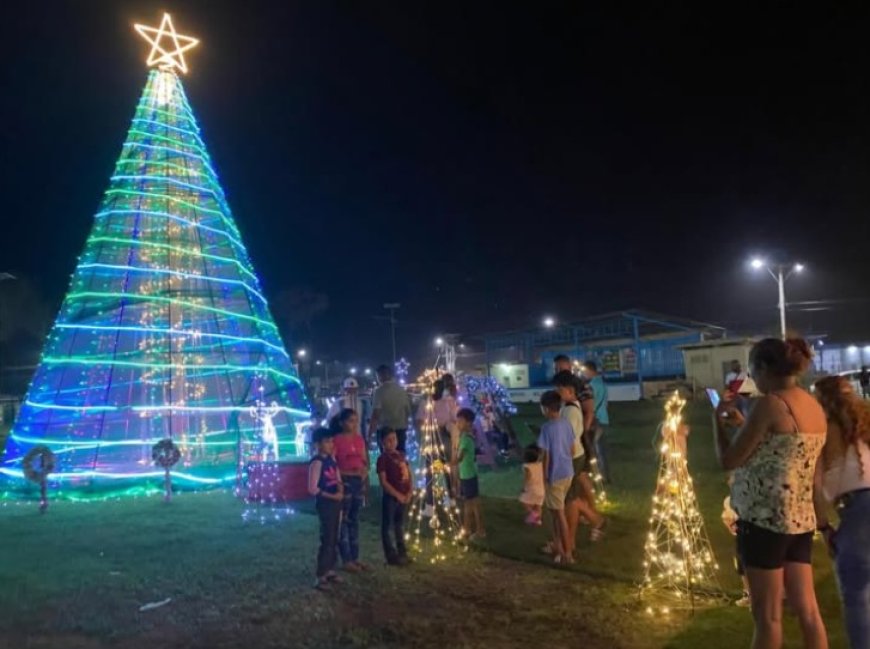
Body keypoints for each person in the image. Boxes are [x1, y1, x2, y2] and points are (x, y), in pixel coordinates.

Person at [714, 337, 828, 649]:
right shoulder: (813, 405)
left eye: (753, 373)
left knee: (768, 617)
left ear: (765, 368)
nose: (754, 380)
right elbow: (783, 449)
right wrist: (744, 424)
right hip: (799, 520)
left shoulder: (770, 404)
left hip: (764, 520)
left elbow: (729, 460)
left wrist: (717, 421)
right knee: (808, 611)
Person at [813, 375, 870, 649]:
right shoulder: (865, 425)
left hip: (857, 513)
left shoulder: (823, 431)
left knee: (856, 597)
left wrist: (824, 528)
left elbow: (814, 484)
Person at [552, 371, 605, 550]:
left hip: (571, 459)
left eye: (559, 389)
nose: (556, 392)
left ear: (569, 390)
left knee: (570, 501)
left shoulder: (571, 411)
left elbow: (569, 441)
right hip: (573, 458)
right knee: (571, 499)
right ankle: (592, 523)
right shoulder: (567, 408)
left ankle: (571, 540)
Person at [537, 390, 576, 565]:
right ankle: (558, 547)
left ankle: (566, 553)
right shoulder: (566, 424)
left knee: (559, 515)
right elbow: (572, 449)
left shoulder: (546, 428)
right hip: (568, 472)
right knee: (555, 513)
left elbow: (546, 456)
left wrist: (544, 477)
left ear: (545, 409)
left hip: (554, 476)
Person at [331, 408, 370, 573]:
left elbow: (364, 461)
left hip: (357, 482)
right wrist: (346, 475)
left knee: (354, 519)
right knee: (344, 519)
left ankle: (355, 558)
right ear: (342, 423)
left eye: (356, 420)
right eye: (350, 421)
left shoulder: (359, 440)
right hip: (345, 482)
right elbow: (333, 464)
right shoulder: (336, 440)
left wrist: (363, 474)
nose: (354, 424)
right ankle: (346, 559)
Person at [307, 427, 344, 591]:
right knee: (327, 538)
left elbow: (337, 478)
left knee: (335, 536)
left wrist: (341, 491)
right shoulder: (317, 463)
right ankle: (321, 574)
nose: (330, 444)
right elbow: (312, 488)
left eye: (331, 441)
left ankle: (330, 569)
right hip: (326, 504)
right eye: (327, 441)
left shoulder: (331, 460)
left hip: (336, 502)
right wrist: (332, 496)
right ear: (317, 444)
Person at [376, 428, 413, 566]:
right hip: (391, 498)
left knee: (399, 525)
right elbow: (383, 481)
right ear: (382, 443)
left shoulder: (401, 455)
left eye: (394, 439)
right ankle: (391, 555)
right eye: (388, 440)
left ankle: (402, 552)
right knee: (387, 526)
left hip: (403, 497)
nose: (392, 443)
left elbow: (409, 475)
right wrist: (397, 494)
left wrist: (409, 492)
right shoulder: (383, 459)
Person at [455, 407, 486, 539]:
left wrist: (445, 464)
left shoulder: (466, 439)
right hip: (467, 475)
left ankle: (476, 530)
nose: (458, 424)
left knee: (471, 504)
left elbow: (459, 458)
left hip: (468, 476)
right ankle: (469, 529)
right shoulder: (466, 437)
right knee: (470, 504)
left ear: (468, 423)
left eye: (460, 421)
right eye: (457, 421)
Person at [369, 365, 412, 451]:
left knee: (387, 458)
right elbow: (408, 411)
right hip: (401, 429)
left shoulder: (379, 392)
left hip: (385, 431)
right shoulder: (401, 390)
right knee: (400, 457)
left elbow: (376, 413)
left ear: (380, 376)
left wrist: (370, 432)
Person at [583, 360, 612, 483]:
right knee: (601, 448)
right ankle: (604, 475)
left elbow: (590, 405)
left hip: (596, 420)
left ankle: (601, 477)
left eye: (585, 371)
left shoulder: (592, 386)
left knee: (595, 448)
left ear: (590, 370)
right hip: (603, 418)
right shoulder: (602, 384)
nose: (584, 374)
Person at [519, 444, 544, 525]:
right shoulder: (540, 464)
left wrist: (523, 487)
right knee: (538, 505)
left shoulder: (526, 466)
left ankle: (534, 515)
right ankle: (538, 520)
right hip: (541, 490)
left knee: (523, 501)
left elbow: (527, 477)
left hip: (532, 489)